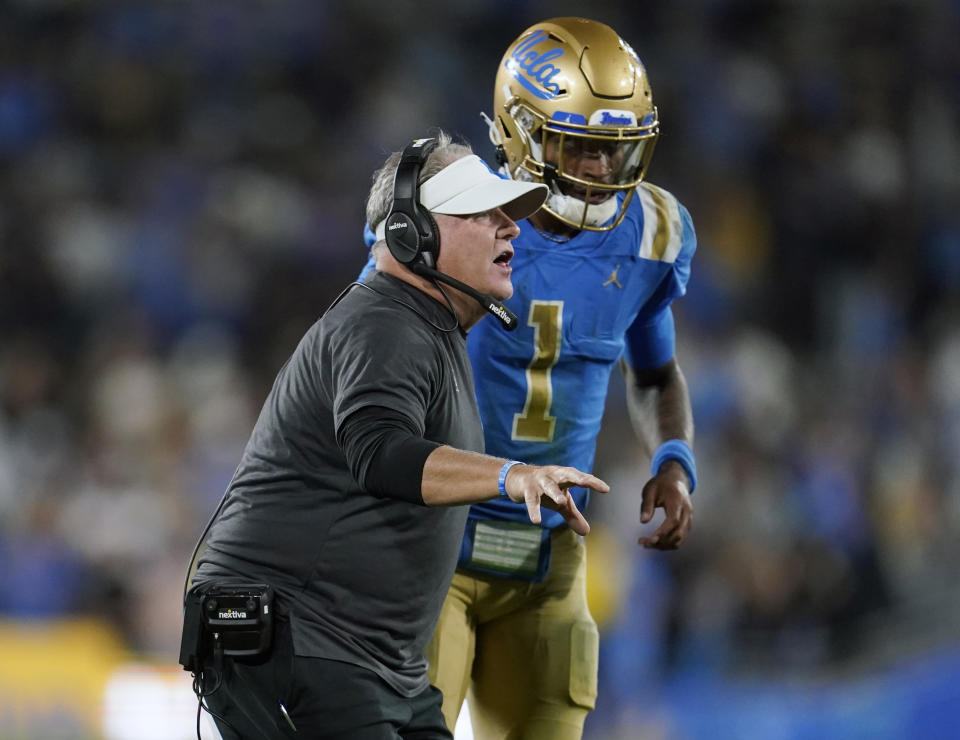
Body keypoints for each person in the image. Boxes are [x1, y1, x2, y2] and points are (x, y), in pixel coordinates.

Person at [185, 133, 610, 740]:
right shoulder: (384, 323)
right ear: (412, 231)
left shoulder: (429, 330)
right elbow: (379, 453)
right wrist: (510, 475)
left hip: (374, 661)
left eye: (507, 214)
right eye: (482, 213)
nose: (510, 229)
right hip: (295, 634)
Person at [426, 18, 698, 739]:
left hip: (549, 555)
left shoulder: (653, 234)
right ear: (520, 133)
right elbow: (362, 355)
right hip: (429, 544)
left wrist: (674, 458)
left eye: (615, 149)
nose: (602, 170)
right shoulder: (448, 217)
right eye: (579, 145)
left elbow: (656, 371)